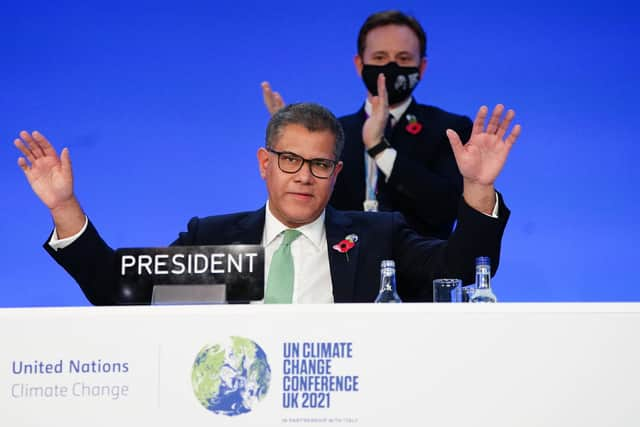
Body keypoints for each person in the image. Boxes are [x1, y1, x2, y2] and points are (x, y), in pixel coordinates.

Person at [14, 88, 520, 305]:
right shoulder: (212, 239)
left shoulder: (377, 235)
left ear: (336, 172)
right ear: (264, 164)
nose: (304, 176)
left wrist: (477, 187)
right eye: (290, 160)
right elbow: (117, 290)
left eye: (320, 165)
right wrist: (63, 208)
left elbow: (461, 268)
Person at [262, 10, 472, 239]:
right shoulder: (333, 133)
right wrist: (291, 142)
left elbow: (446, 208)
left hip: (419, 269)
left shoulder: (450, 129)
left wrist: (379, 149)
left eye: (403, 59)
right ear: (359, 64)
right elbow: (304, 208)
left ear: (421, 67)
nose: (390, 68)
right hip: (340, 269)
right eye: (380, 58)